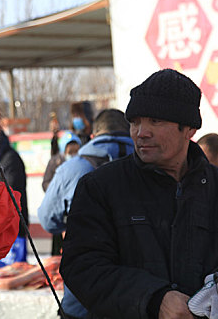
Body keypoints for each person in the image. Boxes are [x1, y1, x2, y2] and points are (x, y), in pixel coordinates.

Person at [60, 69, 218, 319]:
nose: (141, 132)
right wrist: (153, 299)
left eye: (155, 121)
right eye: (135, 122)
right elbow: (82, 266)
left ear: (189, 129)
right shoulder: (100, 187)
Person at [38, 109, 134, 319]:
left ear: (93, 135)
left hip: (82, 298)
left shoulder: (72, 168)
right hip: (138, 296)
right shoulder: (152, 166)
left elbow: (47, 220)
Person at [0, 130, 29, 267]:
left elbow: (12, 188)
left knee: (16, 268)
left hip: (14, 220)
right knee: (2, 271)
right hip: (1, 221)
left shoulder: (10, 158)